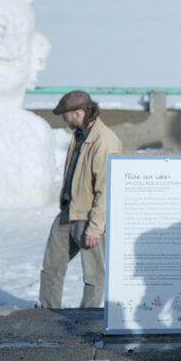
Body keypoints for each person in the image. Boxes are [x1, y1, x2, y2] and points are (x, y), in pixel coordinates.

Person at [39, 90, 123, 308]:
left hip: (88, 218)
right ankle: (47, 314)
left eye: (65, 115)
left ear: (77, 113)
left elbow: (107, 188)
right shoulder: (79, 135)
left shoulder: (104, 141)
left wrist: (95, 228)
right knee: (51, 267)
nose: (63, 119)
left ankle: (86, 320)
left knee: (93, 275)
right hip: (69, 212)